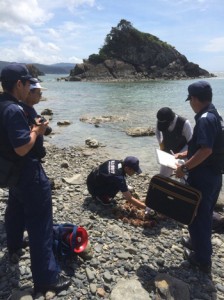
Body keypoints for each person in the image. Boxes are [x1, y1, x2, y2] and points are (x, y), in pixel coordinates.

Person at [0, 63, 71, 294]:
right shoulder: (13, 110)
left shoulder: (3, 106)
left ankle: (14, 245)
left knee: (16, 207)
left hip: (11, 171)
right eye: (28, 83)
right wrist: (36, 132)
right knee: (41, 224)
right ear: (19, 84)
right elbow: (22, 147)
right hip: (27, 170)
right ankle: (46, 278)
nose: (30, 86)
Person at [175, 81, 223, 273]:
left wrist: (184, 168)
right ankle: (196, 243)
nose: (190, 103)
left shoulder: (204, 119)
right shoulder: (214, 114)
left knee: (199, 215)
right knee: (202, 212)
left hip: (203, 176)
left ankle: (202, 260)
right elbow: (205, 145)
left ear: (194, 99)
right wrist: (184, 154)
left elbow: (206, 150)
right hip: (213, 176)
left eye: (190, 100)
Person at [156, 107, 193, 177]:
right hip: (168, 148)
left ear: (171, 121)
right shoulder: (161, 119)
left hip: (182, 149)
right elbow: (157, 132)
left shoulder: (184, 123)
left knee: (182, 174)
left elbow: (192, 144)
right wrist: (161, 143)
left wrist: (183, 154)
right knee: (163, 175)